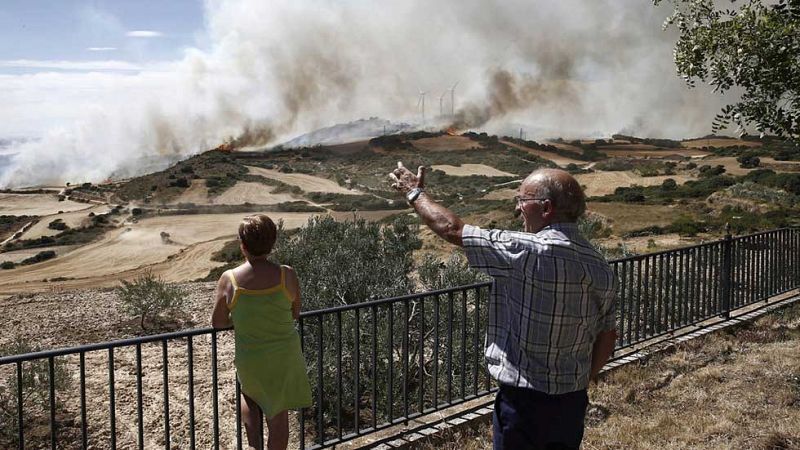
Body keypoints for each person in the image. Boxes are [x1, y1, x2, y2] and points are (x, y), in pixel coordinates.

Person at [389, 163, 617, 450]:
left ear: (546, 208)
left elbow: (452, 229)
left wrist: (414, 192)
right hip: (571, 402)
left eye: (522, 200)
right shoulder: (600, 266)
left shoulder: (527, 251)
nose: (518, 208)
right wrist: (581, 382)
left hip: (523, 402)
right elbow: (607, 336)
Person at [211, 214, 312, 450]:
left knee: (249, 394)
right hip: (284, 356)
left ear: (242, 245)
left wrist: (241, 321)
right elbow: (295, 312)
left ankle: (255, 447)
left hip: (251, 355)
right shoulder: (287, 274)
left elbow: (218, 322)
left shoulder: (230, 279)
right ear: (272, 243)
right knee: (279, 415)